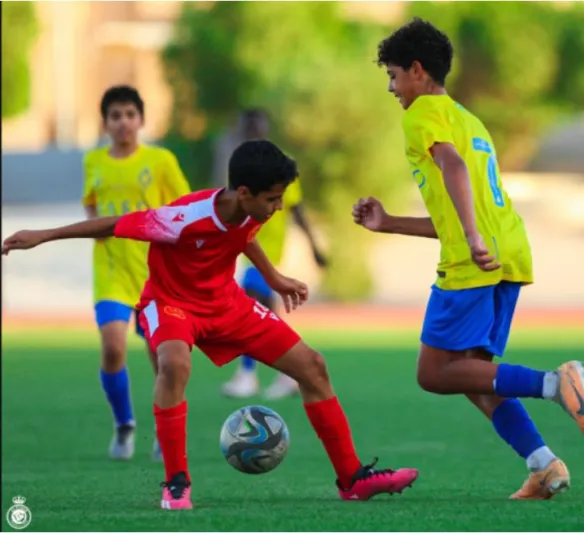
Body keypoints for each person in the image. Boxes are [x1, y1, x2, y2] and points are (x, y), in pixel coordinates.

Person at [3, 140, 418, 510]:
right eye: (273, 199)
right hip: (171, 303)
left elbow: (244, 235)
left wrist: (273, 278)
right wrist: (43, 234)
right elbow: (115, 224)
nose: (278, 207)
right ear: (243, 192)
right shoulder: (182, 217)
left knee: (313, 366)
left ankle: (353, 480)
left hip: (226, 304)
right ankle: (176, 483)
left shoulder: (252, 210)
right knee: (174, 365)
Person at [353, 18, 584, 500]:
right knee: (475, 374)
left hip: (474, 256)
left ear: (418, 71)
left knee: (433, 373)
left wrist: (469, 237)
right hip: (507, 250)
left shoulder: (421, 114)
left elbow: (453, 167)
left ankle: (555, 383)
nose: (391, 87)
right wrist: (391, 223)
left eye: (394, 74)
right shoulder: (467, 118)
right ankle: (543, 465)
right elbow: (464, 199)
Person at [83, 85, 191, 461]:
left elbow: (183, 207)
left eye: (130, 114)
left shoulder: (161, 160)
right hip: (111, 272)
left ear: (141, 119)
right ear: (106, 123)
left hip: (154, 275)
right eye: (115, 116)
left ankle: (166, 429)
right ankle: (124, 423)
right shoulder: (94, 162)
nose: (123, 122)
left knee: (162, 358)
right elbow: (92, 206)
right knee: (113, 348)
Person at [219, 109, 328, 400]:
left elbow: (297, 210)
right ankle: (290, 373)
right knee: (263, 312)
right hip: (248, 248)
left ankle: (249, 375)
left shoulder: (279, 167)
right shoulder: (241, 166)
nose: (252, 131)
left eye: (257, 126)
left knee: (250, 306)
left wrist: (314, 247)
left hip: (268, 250)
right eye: (248, 127)